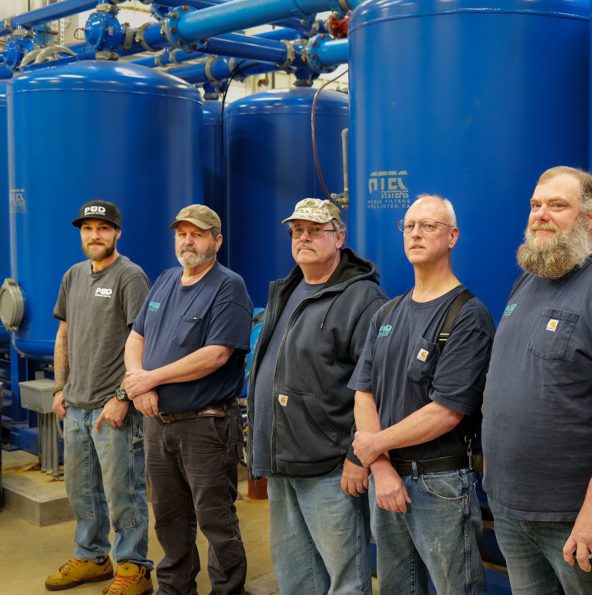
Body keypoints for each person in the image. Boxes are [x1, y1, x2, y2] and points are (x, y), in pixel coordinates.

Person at [482, 167, 592, 594]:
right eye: (535, 205)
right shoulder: (527, 283)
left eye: (557, 206)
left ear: (590, 217)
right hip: (510, 510)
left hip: (576, 517)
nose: (541, 215)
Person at [350, 195, 493, 595]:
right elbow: (364, 393)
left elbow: (447, 411)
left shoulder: (467, 315)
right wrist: (380, 467)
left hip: (439, 485)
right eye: (409, 225)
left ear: (452, 236)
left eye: (428, 226)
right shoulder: (387, 313)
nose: (415, 233)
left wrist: (374, 445)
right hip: (387, 478)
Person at [247, 198, 385, 594]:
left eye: (315, 230)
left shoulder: (362, 299)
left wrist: (359, 457)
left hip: (329, 466)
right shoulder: (287, 289)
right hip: (282, 458)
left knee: (344, 576)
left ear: (339, 237)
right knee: (296, 573)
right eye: (296, 231)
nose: (303, 237)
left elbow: (373, 385)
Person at [122, 204, 253, 595]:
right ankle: (174, 587)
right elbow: (136, 337)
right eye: (181, 233)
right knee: (167, 516)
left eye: (196, 233)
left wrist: (151, 378)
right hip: (158, 424)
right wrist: (138, 383)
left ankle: (228, 589)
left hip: (205, 424)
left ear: (217, 240)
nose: (187, 240)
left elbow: (217, 354)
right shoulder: (164, 280)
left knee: (215, 518)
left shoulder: (228, 286)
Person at [46, 200, 153, 594]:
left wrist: (124, 395)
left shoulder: (131, 276)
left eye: (103, 229)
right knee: (82, 491)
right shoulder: (73, 276)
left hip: (113, 408)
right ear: (81, 233)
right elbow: (64, 335)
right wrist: (61, 389)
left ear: (117, 233)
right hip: (76, 407)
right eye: (88, 229)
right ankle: (92, 556)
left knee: (123, 491)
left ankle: (134, 568)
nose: (95, 235)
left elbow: (144, 342)